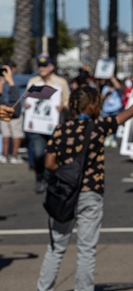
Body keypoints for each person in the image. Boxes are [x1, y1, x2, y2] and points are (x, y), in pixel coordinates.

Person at [27, 69, 133, 291]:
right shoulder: (99, 126)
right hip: (90, 193)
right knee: (86, 248)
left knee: (56, 246)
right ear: (94, 106)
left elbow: (49, 163)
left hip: (63, 194)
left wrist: (66, 170)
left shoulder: (60, 130)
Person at [24, 54, 70, 193]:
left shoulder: (60, 82)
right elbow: (26, 98)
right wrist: (26, 104)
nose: (41, 68)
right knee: (38, 153)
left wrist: (63, 106)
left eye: (44, 65)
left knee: (53, 154)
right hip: (37, 125)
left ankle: (50, 179)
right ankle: (39, 177)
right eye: (39, 65)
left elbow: (67, 100)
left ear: (51, 67)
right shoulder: (33, 81)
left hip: (54, 125)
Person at [1, 63, 24, 164]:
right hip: (9, 109)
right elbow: (16, 111)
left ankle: (6, 155)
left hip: (6, 110)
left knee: (9, 133)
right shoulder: (15, 79)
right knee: (13, 134)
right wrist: (10, 81)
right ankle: (10, 155)